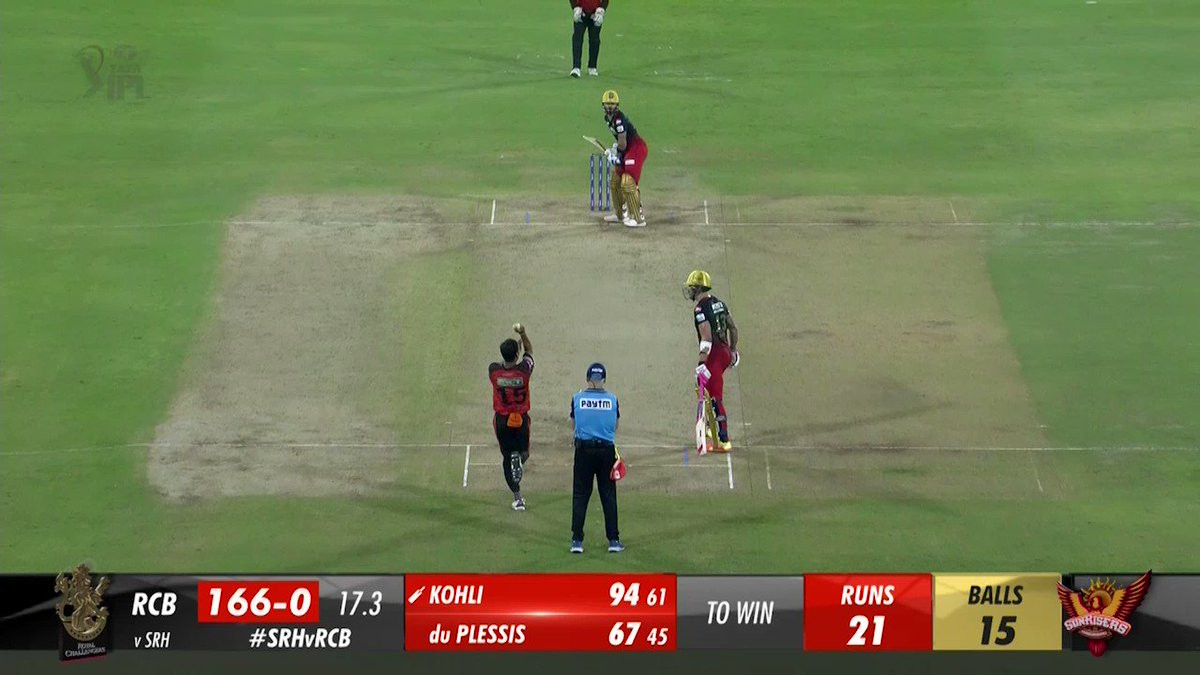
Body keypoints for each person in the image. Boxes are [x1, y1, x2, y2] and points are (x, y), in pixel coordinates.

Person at [569, 363, 623, 554]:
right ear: (604, 380)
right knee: (608, 495)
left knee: (580, 495)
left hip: (583, 451)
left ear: (587, 379)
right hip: (606, 452)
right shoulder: (613, 399)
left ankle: (577, 541)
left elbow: (573, 424)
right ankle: (613, 540)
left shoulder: (577, 398)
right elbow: (615, 425)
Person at [684, 270, 740, 452]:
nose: (690, 291)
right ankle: (709, 428)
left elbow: (706, 338)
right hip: (724, 353)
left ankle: (724, 439)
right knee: (704, 387)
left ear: (698, 288)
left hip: (714, 356)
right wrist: (733, 351)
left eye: (692, 287)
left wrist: (702, 363)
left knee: (715, 397)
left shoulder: (700, 309)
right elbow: (733, 328)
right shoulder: (720, 303)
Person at [488, 323, 534, 511]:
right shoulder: (524, 371)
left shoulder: (494, 371)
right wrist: (522, 333)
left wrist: (513, 351)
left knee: (507, 458)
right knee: (524, 452)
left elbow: (502, 363)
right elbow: (529, 352)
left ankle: (518, 499)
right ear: (516, 355)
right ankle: (520, 460)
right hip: (520, 418)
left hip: (502, 420)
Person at [600, 90, 648, 228]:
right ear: (603, 105)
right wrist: (616, 151)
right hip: (627, 148)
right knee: (615, 180)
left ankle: (638, 218)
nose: (610, 107)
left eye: (612, 104)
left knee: (627, 181)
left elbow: (623, 143)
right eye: (607, 104)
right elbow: (621, 143)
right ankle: (620, 215)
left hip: (636, 148)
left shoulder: (619, 120)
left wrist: (615, 155)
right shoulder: (607, 119)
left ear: (617, 105)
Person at [569, 1, 608, 78]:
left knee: (594, 40)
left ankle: (592, 67)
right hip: (581, 12)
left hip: (596, 13)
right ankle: (576, 67)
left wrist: (602, 9)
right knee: (577, 38)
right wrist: (575, 7)